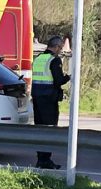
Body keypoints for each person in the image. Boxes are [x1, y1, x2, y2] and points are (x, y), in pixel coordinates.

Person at [32, 36, 71, 169]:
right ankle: (46, 160)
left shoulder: (38, 59)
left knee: (39, 130)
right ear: (56, 47)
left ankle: (40, 159)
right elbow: (58, 80)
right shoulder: (54, 60)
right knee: (49, 130)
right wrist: (68, 77)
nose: (60, 51)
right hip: (49, 100)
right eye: (60, 48)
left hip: (37, 98)